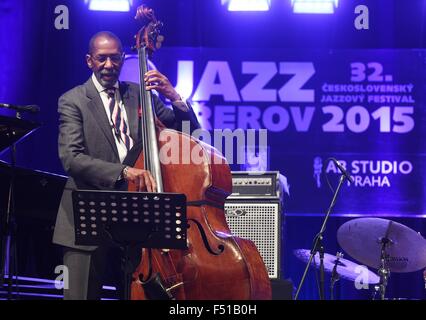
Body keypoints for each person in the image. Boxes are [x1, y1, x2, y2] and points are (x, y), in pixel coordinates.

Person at [52, 31, 200, 300]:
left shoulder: (142, 96)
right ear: (89, 61)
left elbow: (189, 137)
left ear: (122, 58)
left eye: (115, 58)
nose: (109, 65)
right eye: (101, 59)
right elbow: (71, 159)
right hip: (88, 213)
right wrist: (123, 171)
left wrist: (174, 96)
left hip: (137, 218)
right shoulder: (72, 100)